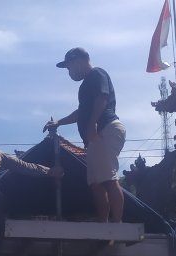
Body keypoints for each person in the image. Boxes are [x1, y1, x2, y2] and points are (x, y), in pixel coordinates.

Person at [44, 47, 127, 223]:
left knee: (108, 178)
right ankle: (104, 222)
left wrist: (92, 125)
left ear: (80, 61)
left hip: (105, 129)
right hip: (95, 136)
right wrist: (59, 122)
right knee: (96, 183)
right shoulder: (85, 86)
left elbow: (102, 98)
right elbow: (81, 112)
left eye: (70, 67)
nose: (69, 72)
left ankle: (117, 223)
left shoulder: (97, 74)